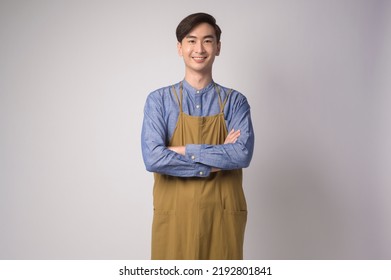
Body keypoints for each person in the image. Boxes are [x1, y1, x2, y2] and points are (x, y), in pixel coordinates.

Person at [141, 12, 254, 260]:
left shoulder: (236, 102)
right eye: (191, 40)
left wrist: (181, 150)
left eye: (207, 40)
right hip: (174, 217)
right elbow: (153, 159)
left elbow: (241, 154)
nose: (199, 48)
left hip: (222, 218)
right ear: (180, 48)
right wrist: (216, 161)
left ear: (218, 47)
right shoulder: (158, 101)